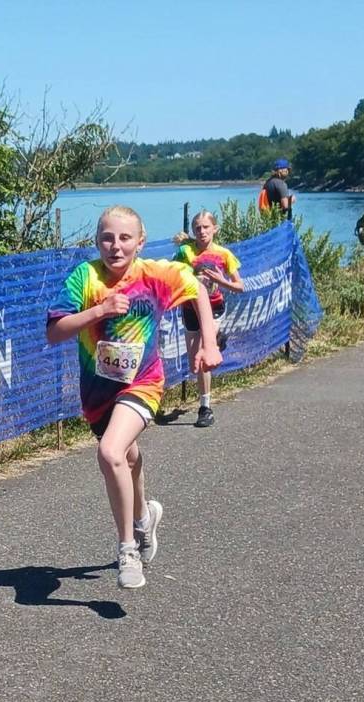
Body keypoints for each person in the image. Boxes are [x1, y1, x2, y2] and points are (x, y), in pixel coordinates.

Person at [46, 205, 221, 590]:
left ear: (140, 242)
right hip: (97, 391)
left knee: (110, 452)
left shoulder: (157, 274)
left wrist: (208, 344)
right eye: (107, 237)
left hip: (142, 382)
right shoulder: (85, 277)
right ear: (96, 241)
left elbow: (199, 291)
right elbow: (55, 331)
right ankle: (144, 517)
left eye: (125, 238)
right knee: (127, 455)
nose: (116, 246)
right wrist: (99, 310)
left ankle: (127, 548)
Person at [173, 210, 244, 428]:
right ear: (193, 231)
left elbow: (240, 287)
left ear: (215, 229)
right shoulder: (185, 252)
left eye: (206, 227)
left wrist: (221, 281)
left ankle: (205, 407)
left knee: (204, 356)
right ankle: (217, 338)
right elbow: (174, 276)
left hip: (214, 307)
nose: (202, 231)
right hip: (190, 308)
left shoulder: (224, 255)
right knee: (195, 361)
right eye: (198, 228)